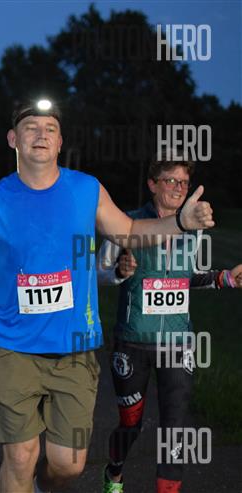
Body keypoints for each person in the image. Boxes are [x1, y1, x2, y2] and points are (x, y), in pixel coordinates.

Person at [0, 99, 214, 493]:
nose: (41, 134)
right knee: (20, 457)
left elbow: (129, 231)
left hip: (74, 352)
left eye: (50, 128)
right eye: (31, 127)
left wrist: (180, 222)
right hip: (11, 349)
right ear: (13, 139)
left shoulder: (85, 189)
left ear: (60, 142)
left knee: (68, 465)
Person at [97, 160, 242, 493]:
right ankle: (114, 472)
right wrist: (119, 271)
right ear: (152, 184)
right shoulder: (128, 223)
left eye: (184, 183)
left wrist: (226, 278)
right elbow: (98, 274)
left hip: (178, 344)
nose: (179, 188)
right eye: (171, 181)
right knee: (130, 425)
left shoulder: (194, 230)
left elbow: (189, 277)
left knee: (175, 429)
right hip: (133, 342)